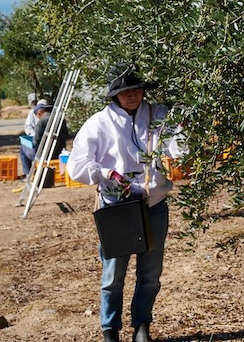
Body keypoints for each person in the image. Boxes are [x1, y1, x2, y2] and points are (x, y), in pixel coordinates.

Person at [66, 64, 187, 342]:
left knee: (151, 273)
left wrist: (181, 130)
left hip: (154, 204)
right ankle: (110, 330)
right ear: (115, 95)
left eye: (136, 89)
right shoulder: (98, 123)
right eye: (125, 91)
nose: (132, 95)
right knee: (113, 275)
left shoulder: (157, 115)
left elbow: (177, 148)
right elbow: (77, 166)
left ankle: (142, 326)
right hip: (116, 207)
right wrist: (105, 173)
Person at [19, 100, 51, 178]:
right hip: (57, 150)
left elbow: (36, 142)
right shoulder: (58, 118)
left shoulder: (41, 122)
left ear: (39, 113)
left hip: (43, 152)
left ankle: (28, 175)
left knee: (23, 149)